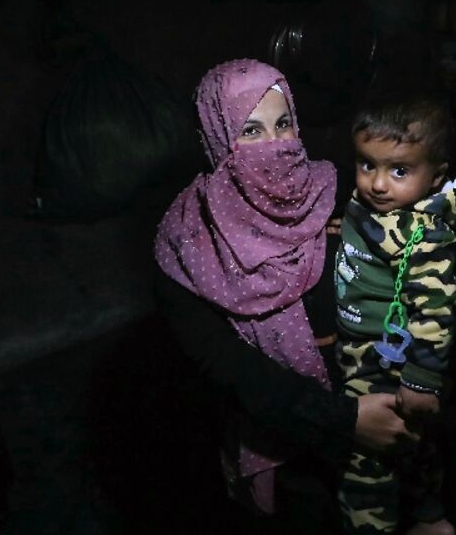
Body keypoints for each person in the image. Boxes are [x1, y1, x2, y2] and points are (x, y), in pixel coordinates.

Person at [154, 59, 414, 532]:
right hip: (286, 430)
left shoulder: (337, 190)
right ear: (217, 136)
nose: (276, 146)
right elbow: (228, 366)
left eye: (283, 124)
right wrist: (342, 420)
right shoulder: (189, 241)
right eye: (250, 131)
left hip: (380, 400)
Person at [333, 96, 456, 535]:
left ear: (436, 177)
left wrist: (421, 378)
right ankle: (430, 518)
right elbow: (370, 226)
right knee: (415, 444)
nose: (377, 184)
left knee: (367, 462)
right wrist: (345, 230)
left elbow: (435, 309)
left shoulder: (425, 235)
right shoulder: (373, 206)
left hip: (383, 364)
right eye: (366, 164)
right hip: (363, 349)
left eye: (399, 170)